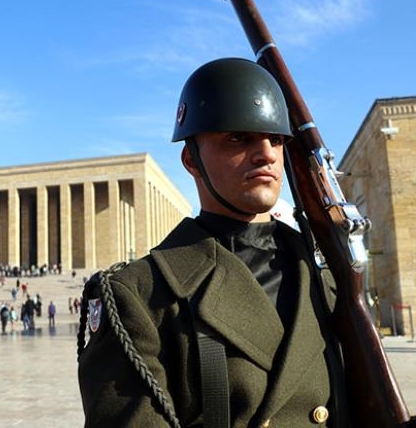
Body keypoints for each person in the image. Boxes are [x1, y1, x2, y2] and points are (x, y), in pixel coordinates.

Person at [77, 58, 349, 427]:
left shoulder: (325, 276)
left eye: (276, 139)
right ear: (191, 159)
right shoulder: (139, 296)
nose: (267, 154)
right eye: (238, 138)